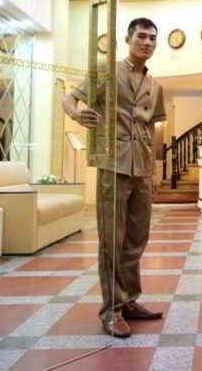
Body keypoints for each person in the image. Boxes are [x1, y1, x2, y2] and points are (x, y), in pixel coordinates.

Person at [62, 18, 166, 338]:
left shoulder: (155, 85)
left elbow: (152, 127)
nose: (147, 43)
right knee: (112, 241)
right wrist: (76, 114)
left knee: (136, 239)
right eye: (141, 36)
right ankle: (111, 311)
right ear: (128, 39)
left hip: (142, 169)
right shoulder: (106, 71)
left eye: (152, 38)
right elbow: (69, 99)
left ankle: (129, 300)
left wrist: (154, 171)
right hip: (114, 165)